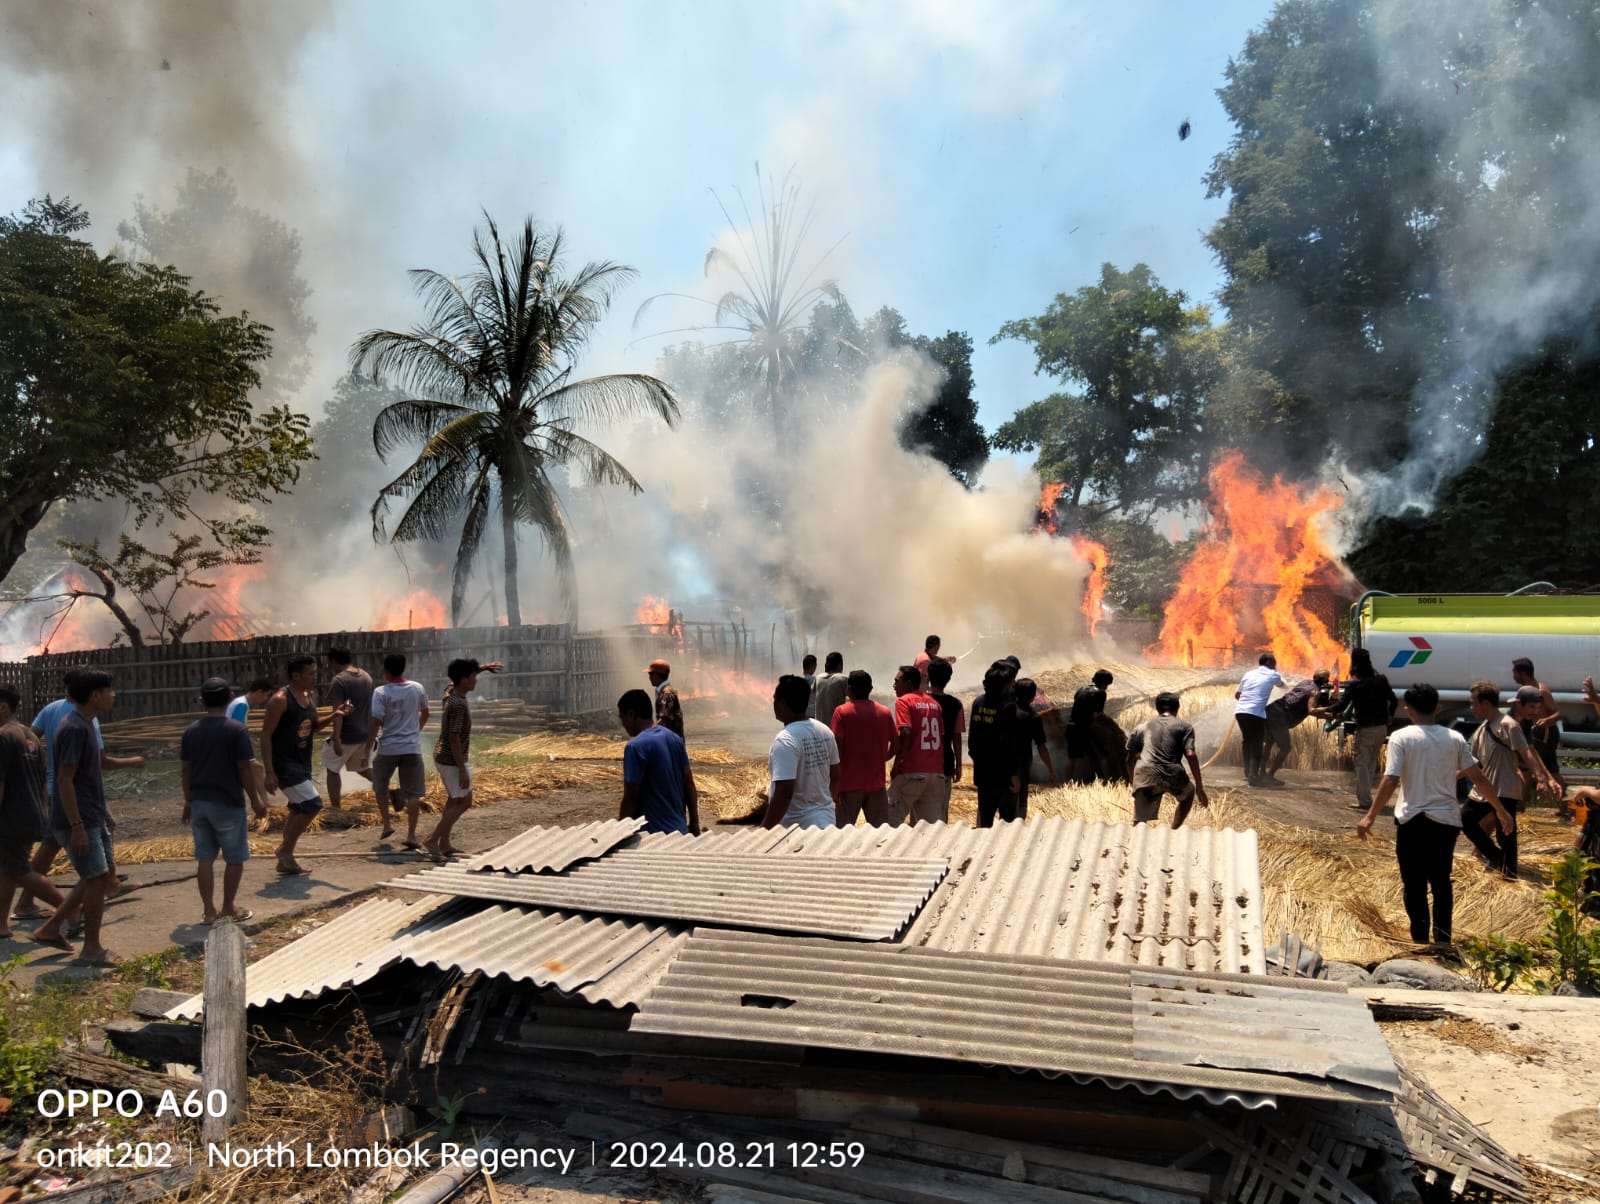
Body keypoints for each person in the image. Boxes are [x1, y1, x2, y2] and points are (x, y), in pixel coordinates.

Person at [1357, 683, 1504, 948]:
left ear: (1408, 710)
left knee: (1413, 883)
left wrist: (1369, 816)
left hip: (1412, 819)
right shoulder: (1454, 738)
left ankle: (1421, 940)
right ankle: (1443, 941)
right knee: (1440, 881)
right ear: (1437, 708)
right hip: (1446, 821)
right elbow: (1478, 778)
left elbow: (1390, 780)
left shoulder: (1402, 738)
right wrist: (1501, 810)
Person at [30, 670, 121, 966]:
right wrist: (77, 827)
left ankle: (50, 928)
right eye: (109, 690)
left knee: (97, 875)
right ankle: (91, 948)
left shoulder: (87, 722)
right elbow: (64, 781)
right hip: (77, 818)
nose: (113, 695)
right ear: (95, 696)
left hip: (90, 813)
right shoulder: (73, 728)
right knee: (95, 879)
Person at [182, 677, 269, 924]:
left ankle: (209, 911)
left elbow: (186, 770)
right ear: (230, 697)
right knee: (234, 858)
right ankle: (228, 907)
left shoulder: (191, 731)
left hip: (199, 803)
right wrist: (255, 800)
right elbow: (244, 768)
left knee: (205, 859)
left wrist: (188, 801)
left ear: (202, 701)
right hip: (228, 803)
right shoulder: (236, 730)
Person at [262, 655, 349, 875]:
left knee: (297, 808)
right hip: (284, 765)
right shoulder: (280, 699)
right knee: (312, 805)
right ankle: (285, 851)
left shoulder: (309, 696)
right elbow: (265, 736)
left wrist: (335, 714)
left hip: (302, 762)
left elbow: (314, 726)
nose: (314, 677)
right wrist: (269, 772)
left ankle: (285, 859)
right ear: (295, 676)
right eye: (310, 674)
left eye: (315, 673)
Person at [1465, 681, 1554, 881]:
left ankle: (1509, 875)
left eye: (1473, 703)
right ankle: (1496, 856)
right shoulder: (1483, 729)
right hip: (1485, 789)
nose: (1471, 707)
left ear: (1486, 703)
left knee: (1506, 833)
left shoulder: (1509, 725)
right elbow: (1473, 762)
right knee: (1465, 819)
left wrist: (1541, 779)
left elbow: (1527, 753)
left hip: (1505, 787)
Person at [0, 686, 65, 938]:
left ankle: (69, 909)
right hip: (32, 812)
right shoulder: (29, 735)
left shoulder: (3, 736)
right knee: (7, 868)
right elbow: (40, 780)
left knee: (19, 870)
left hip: (11, 817)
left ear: (3, 706)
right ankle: (2, 925)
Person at [427, 657, 502, 859]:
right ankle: (432, 841)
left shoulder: (450, 691)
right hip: (452, 758)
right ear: (464, 679)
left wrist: (482, 668)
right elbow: (453, 737)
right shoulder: (458, 703)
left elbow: (455, 679)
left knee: (455, 800)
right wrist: (462, 769)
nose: (475, 680)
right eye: (472, 676)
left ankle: (444, 842)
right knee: (464, 801)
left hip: (445, 755)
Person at [616, 688, 700, 835]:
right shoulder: (675, 739)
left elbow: (630, 798)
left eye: (622, 718)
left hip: (651, 835)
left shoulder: (635, 747)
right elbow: (689, 783)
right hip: (679, 831)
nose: (623, 724)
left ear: (631, 715)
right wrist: (694, 824)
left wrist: (620, 834)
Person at [370, 653, 431, 850]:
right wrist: (416, 730)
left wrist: (366, 747)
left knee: (380, 786)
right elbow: (426, 712)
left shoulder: (381, 692)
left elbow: (377, 721)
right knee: (413, 793)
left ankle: (387, 824)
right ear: (403, 668)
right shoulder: (417, 688)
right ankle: (412, 836)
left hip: (388, 748)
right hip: (412, 748)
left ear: (386, 671)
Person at [764, 674, 840, 829]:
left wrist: (765, 830)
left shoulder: (785, 740)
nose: (773, 703)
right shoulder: (824, 731)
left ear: (783, 704)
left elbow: (784, 792)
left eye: (775, 699)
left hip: (797, 829)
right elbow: (836, 774)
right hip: (826, 821)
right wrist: (824, 804)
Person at [1125, 692, 1209, 828]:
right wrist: (1199, 787)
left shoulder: (1142, 727)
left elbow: (1129, 759)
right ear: (1177, 708)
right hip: (1173, 775)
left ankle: (1136, 841)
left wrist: (1133, 780)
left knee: (1140, 821)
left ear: (1157, 709)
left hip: (1145, 774)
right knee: (1188, 794)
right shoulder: (1185, 727)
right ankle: (1173, 830)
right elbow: (1191, 755)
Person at [829, 670, 897, 826]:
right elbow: (896, 743)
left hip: (848, 786)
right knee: (880, 834)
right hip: (876, 786)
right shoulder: (884, 712)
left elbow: (836, 748)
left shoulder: (842, 712)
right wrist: (885, 757)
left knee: (842, 834)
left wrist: (834, 783)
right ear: (871, 689)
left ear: (849, 689)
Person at [889, 665, 947, 825]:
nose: (894, 685)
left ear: (908, 684)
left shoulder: (903, 702)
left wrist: (898, 763)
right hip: (935, 775)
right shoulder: (934, 704)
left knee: (888, 823)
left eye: (897, 681)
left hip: (911, 772)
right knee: (930, 830)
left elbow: (905, 732)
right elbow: (941, 738)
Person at [1342, 648, 1398, 812]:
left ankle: (1365, 801)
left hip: (1365, 729)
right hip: (1381, 728)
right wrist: (1390, 716)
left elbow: (1342, 706)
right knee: (1371, 762)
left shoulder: (1356, 684)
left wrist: (1325, 711)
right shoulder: (1381, 679)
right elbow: (1393, 700)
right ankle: (1368, 798)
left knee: (1361, 764)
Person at [968, 662, 1021, 827]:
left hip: (983, 773)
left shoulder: (978, 703)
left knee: (985, 820)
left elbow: (972, 739)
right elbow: (1010, 742)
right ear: (1005, 685)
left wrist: (978, 760)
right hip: (1003, 774)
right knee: (1006, 823)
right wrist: (1013, 774)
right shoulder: (1008, 707)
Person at [1260, 670, 1334, 785]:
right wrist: (1330, 710)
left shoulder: (1305, 682)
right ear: (1325, 681)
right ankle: (1269, 776)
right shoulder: (1315, 691)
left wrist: (1326, 715)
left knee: (1269, 743)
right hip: (1280, 717)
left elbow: (1304, 705)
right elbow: (1311, 710)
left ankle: (1261, 774)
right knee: (1285, 748)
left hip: (1272, 709)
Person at [323, 648, 375, 810]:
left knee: (332, 769)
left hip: (347, 734)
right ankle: (391, 791)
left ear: (332, 662)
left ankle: (336, 809)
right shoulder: (366, 676)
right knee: (363, 768)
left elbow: (337, 712)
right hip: (364, 733)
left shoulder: (339, 681)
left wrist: (336, 738)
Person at [1512, 661, 1565, 804]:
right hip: (1533, 731)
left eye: (1514, 672)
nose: (1513, 676)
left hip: (1545, 732)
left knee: (1548, 768)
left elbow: (1559, 713)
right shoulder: (1525, 690)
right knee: (1526, 768)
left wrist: (1546, 720)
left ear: (1521, 673)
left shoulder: (1540, 690)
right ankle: (1522, 803)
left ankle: (1565, 805)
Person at [1234, 653, 1285, 787]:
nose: (1276, 666)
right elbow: (1282, 685)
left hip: (1240, 712)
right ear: (1269, 663)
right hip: (1255, 714)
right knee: (1257, 744)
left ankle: (1247, 772)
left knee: (1247, 741)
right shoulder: (1274, 675)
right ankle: (1253, 777)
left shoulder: (1248, 674)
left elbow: (1237, 695)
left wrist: (1247, 703)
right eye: (1274, 663)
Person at [1011, 678, 1058, 818]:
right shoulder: (1033, 717)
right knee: (1020, 804)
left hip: (1002, 763)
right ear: (1033, 697)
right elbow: (1041, 746)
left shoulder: (1005, 709)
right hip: (1021, 765)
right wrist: (1051, 770)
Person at [926, 659, 964, 824]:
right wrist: (959, 764)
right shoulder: (955, 704)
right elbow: (956, 737)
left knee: (919, 811)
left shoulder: (920, 702)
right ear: (948, 679)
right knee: (941, 811)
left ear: (928, 676)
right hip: (945, 763)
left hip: (921, 762)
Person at [227, 677, 274, 802]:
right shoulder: (242, 704)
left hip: (231, 742)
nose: (266, 699)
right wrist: (253, 743)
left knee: (256, 770)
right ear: (259, 692)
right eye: (267, 695)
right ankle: (264, 803)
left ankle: (264, 802)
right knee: (257, 770)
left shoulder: (240, 702)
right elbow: (238, 729)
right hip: (231, 744)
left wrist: (253, 743)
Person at [1066, 669, 1113, 783]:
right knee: (1102, 755)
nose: (1106, 687)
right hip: (1085, 728)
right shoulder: (1101, 693)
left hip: (1071, 726)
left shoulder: (1081, 689)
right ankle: (1107, 782)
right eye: (1107, 685)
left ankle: (1067, 782)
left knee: (1072, 758)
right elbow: (1096, 714)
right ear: (1104, 683)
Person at [646, 659, 684, 741]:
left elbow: (663, 721)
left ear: (657, 675)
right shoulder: (661, 691)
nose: (649, 677)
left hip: (671, 740)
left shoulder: (666, 693)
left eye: (650, 674)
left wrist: (647, 735)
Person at [813, 652, 849, 728]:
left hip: (819, 726)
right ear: (840, 665)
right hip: (835, 726)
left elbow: (812, 691)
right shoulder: (842, 679)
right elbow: (855, 695)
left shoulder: (818, 678)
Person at [801, 653, 818, 719]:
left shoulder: (799, 681)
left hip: (802, 713)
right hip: (813, 713)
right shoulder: (815, 680)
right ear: (813, 666)